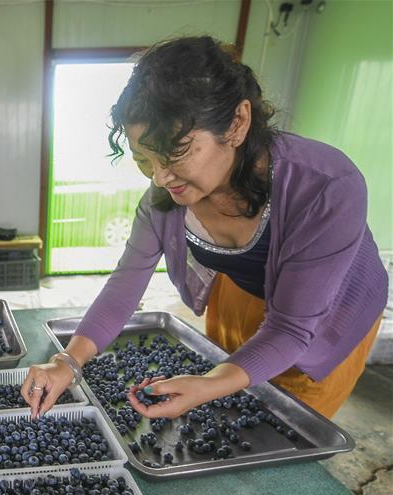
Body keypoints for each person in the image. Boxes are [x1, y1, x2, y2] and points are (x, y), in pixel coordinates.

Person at [23, 36, 386, 420]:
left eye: (176, 152)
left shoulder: (327, 187)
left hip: (329, 315)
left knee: (282, 421)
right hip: (243, 296)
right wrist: (68, 360)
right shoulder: (165, 197)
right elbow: (126, 283)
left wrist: (211, 384)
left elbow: (291, 329)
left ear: (237, 122)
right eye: (144, 159)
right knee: (231, 400)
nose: (160, 178)